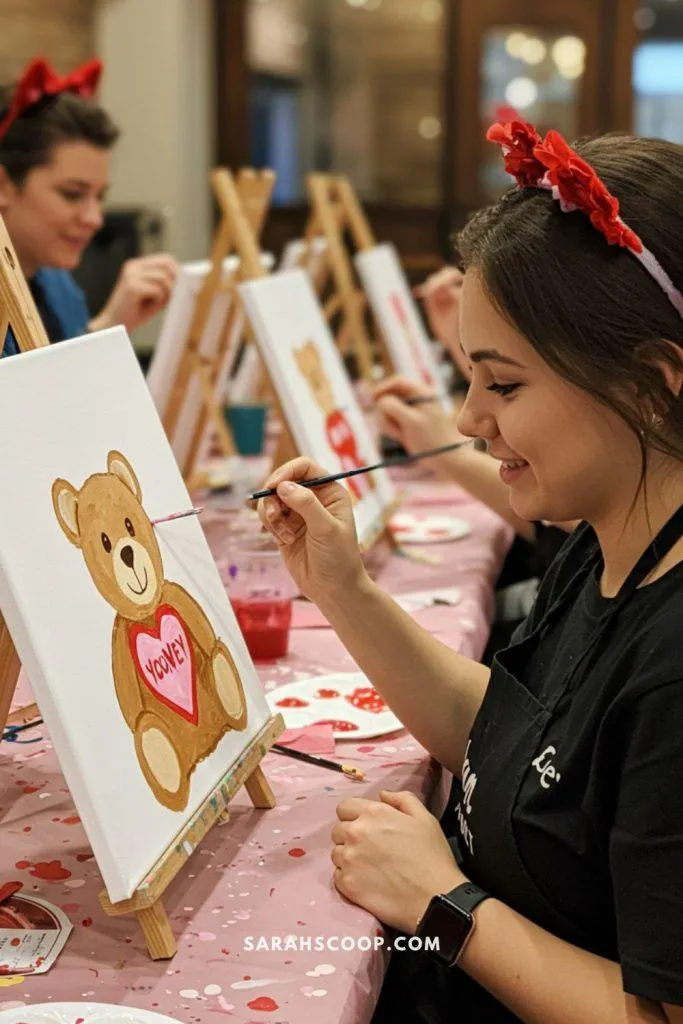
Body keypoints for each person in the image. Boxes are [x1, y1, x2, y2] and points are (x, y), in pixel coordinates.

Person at [258, 122, 683, 1023]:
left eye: (503, 385)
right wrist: (341, 587)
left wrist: (445, 906)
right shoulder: (615, 534)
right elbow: (520, 755)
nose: (467, 420)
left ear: (650, 385)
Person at [0, 57, 177, 357]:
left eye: (100, 197)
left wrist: (112, 324)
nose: (94, 219)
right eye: (72, 194)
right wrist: (108, 324)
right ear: (3, 186)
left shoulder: (60, 286)